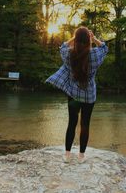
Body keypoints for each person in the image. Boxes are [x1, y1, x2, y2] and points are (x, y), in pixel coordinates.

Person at [46, 27, 108, 163]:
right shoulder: (95, 55)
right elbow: (104, 47)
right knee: (85, 124)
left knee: (72, 123)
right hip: (89, 96)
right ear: (88, 40)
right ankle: (81, 157)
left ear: (76, 40)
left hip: (74, 95)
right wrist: (94, 38)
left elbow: (62, 46)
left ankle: (67, 155)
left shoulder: (69, 54)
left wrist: (74, 38)